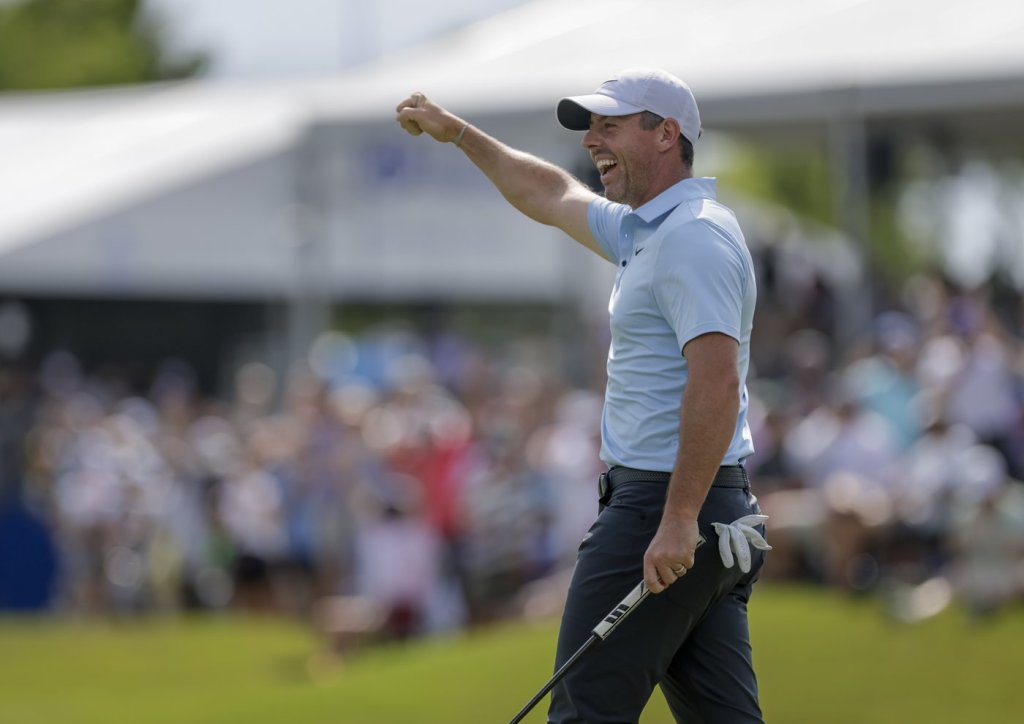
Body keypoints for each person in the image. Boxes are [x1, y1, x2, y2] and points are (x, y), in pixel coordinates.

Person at [397, 68, 770, 723]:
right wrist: (458, 134)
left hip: (661, 509)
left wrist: (677, 519)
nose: (591, 140)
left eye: (610, 126)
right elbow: (550, 193)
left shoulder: (691, 236)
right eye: (591, 127)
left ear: (666, 134)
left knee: (583, 714)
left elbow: (716, 378)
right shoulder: (646, 230)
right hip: (700, 509)